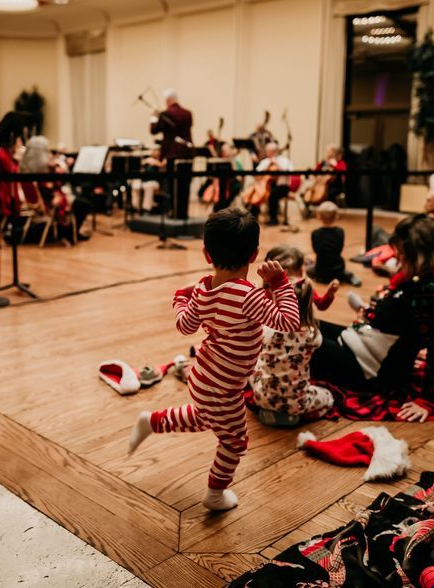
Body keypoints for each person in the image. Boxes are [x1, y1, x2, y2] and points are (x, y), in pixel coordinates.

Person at [127, 208, 300, 511]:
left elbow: (185, 326)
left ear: (207, 254)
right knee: (235, 442)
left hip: (204, 376)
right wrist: (280, 282)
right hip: (224, 386)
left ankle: (151, 421)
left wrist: (181, 298)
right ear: (254, 254)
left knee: (202, 417)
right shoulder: (249, 297)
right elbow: (289, 322)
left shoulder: (203, 289)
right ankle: (214, 495)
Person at [309, 214, 434, 424]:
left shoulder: (430, 290)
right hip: (365, 344)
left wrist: (428, 399)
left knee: (302, 337)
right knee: (309, 325)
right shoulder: (415, 279)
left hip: (371, 369)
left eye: (402, 253)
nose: (398, 257)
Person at [251, 279, 334, 427]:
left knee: (255, 367)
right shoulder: (313, 335)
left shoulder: (267, 329)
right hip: (296, 403)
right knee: (328, 397)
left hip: (262, 397)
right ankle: (296, 417)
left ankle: (271, 411)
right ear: (308, 307)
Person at [19, 135, 92, 241]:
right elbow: (53, 187)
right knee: (84, 204)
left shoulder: (25, 167)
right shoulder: (43, 170)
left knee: (80, 200)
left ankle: (68, 231)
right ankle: (69, 232)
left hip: (38, 201)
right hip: (49, 202)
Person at [150, 89, 193, 219]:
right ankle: (183, 213)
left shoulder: (166, 114)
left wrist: (154, 117)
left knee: (172, 185)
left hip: (172, 154)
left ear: (168, 101)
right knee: (185, 185)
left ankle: (174, 213)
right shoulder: (188, 113)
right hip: (187, 153)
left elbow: (153, 130)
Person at [265, 244, 339, 310]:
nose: (303, 269)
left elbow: (320, 305)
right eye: (300, 266)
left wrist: (329, 294)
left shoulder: (303, 286)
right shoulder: (268, 293)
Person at [307, 201, 362, 287]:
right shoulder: (340, 232)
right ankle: (347, 275)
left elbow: (316, 250)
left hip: (321, 271)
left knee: (308, 270)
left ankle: (319, 277)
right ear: (336, 216)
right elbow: (339, 249)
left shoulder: (315, 233)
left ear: (319, 216)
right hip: (338, 270)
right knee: (340, 267)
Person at [252, 142, 293, 226]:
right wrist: (267, 166)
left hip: (282, 186)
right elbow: (257, 172)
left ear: (274, 151)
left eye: (268, 151)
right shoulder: (265, 161)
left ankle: (274, 219)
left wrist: (277, 164)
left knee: (272, 195)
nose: (267, 153)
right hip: (267, 185)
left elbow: (290, 171)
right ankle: (253, 216)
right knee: (255, 192)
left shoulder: (284, 160)